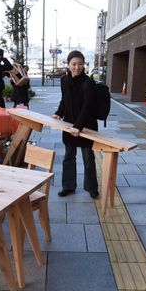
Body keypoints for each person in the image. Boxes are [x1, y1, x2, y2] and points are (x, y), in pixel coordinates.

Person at [52, 50, 99, 199]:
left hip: (86, 126)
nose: (77, 67)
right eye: (74, 64)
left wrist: (78, 127)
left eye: (80, 64)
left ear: (84, 64)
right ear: (68, 64)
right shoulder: (64, 80)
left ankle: (92, 188)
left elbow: (87, 108)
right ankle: (68, 186)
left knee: (88, 158)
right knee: (68, 157)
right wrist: (59, 113)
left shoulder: (88, 83)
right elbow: (64, 100)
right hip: (69, 124)